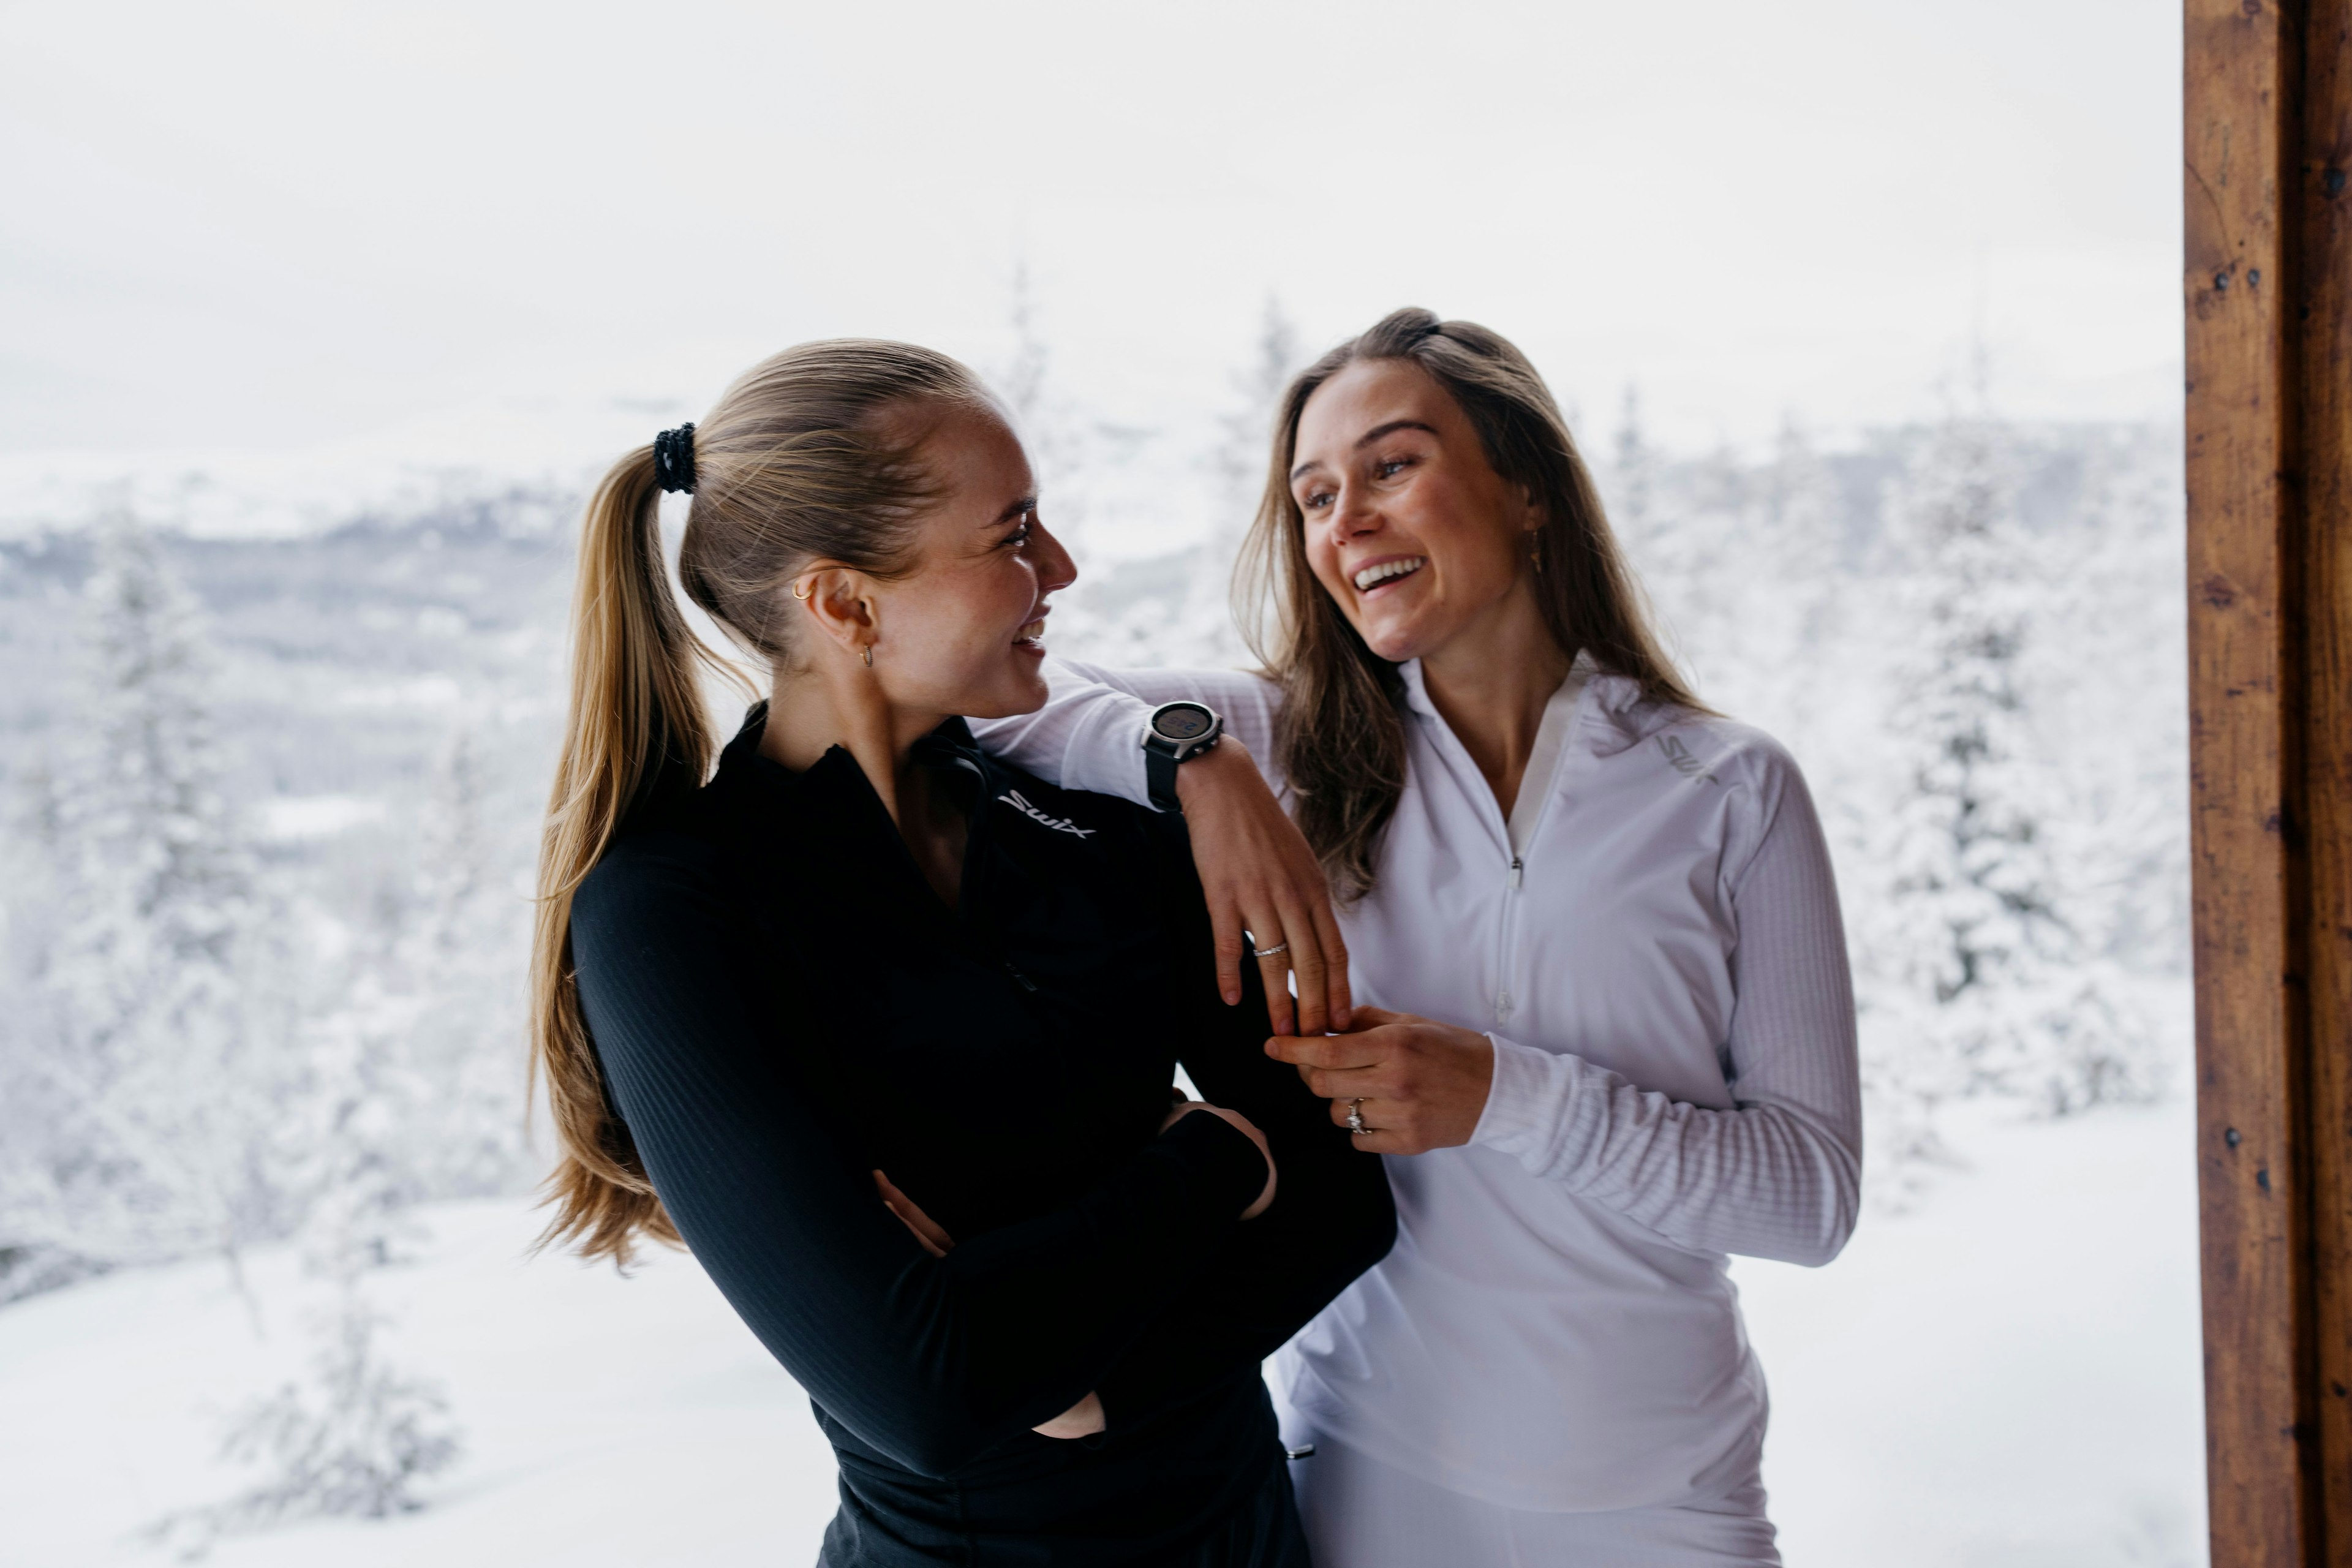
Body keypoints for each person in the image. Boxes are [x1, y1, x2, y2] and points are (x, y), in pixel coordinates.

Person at [973, 308, 1862, 1566]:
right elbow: (988, 701)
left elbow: (1811, 1198)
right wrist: (1195, 762)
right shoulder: (1276, 741)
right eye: (1315, 496)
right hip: (1370, 1475)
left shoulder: (1725, 787)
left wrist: (1507, 1092)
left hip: (1667, 1494)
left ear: (1530, 487)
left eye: (1392, 466)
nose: (1347, 523)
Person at [529, 339, 1395, 1567]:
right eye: (1013, 534)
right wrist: (1210, 1153)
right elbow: (929, 1392)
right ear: (846, 602)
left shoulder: (1100, 824)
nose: (1061, 568)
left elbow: (1342, 1193)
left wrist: (1081, 1376)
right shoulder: (677, 910)